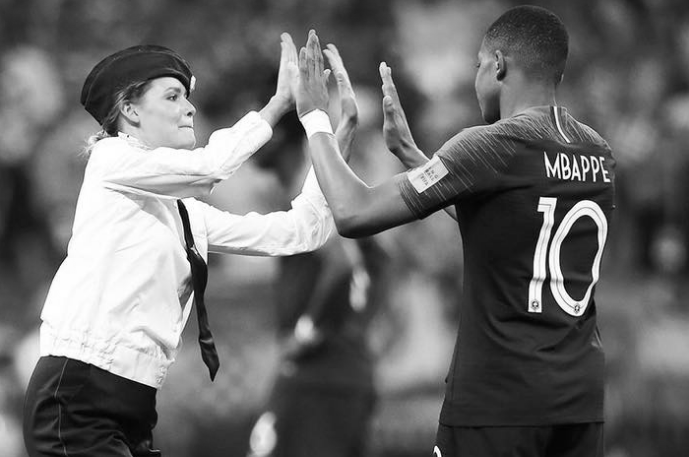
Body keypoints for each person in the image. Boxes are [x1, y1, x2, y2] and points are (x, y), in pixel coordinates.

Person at [294, 5, 615, 457]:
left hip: (497, 401)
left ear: (498, 64)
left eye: (478, 65)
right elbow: (504, 223)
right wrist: (410, 154)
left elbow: (353, 212)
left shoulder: (491, 144)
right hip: (578, 399)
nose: (476, 77)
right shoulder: (596, 151)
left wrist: (315, 120)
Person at [22, 33, 337, 457]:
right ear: (128, 109)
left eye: (186, 97)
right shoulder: (110, 160)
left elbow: (301, 232)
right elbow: (210, 167)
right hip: (77, 396)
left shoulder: (185, 214)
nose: (188, 107)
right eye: (172, 96)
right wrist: (278, 105)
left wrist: (322, 128)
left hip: (133, 404)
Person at [247, 44, 390, 457]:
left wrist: (307, 330)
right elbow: (376, 266)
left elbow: (343, 265)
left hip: (322, 377)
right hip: (337, 375)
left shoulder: (311, 189)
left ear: (289, 136)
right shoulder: (330, 189)